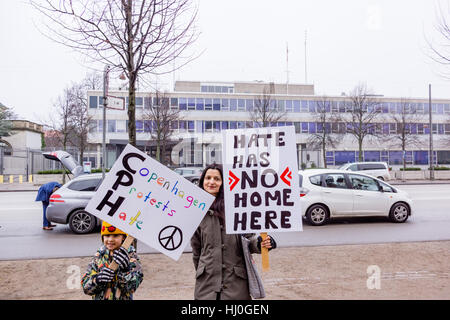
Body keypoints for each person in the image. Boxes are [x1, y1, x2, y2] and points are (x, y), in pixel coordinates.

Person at [190, 163, 276, 300]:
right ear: (202, 181)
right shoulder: (195, 211)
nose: (211, 182)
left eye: (217, 179)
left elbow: (249, 240)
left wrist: (261, 243)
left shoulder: (237, 207)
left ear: (224, 182)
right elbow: (196, 251)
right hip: (206, 286)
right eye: (208, 178)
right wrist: (203, 271)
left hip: (235, 285)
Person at [81, 221, 143, 300]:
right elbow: (86, 288)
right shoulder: (98, 257)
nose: (110, 239)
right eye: (107, 235)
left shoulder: (131, 257)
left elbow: (132, 288)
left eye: (115, 235)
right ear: (102, 237)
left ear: (123, 237)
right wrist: (97, 280)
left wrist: (125, 271)